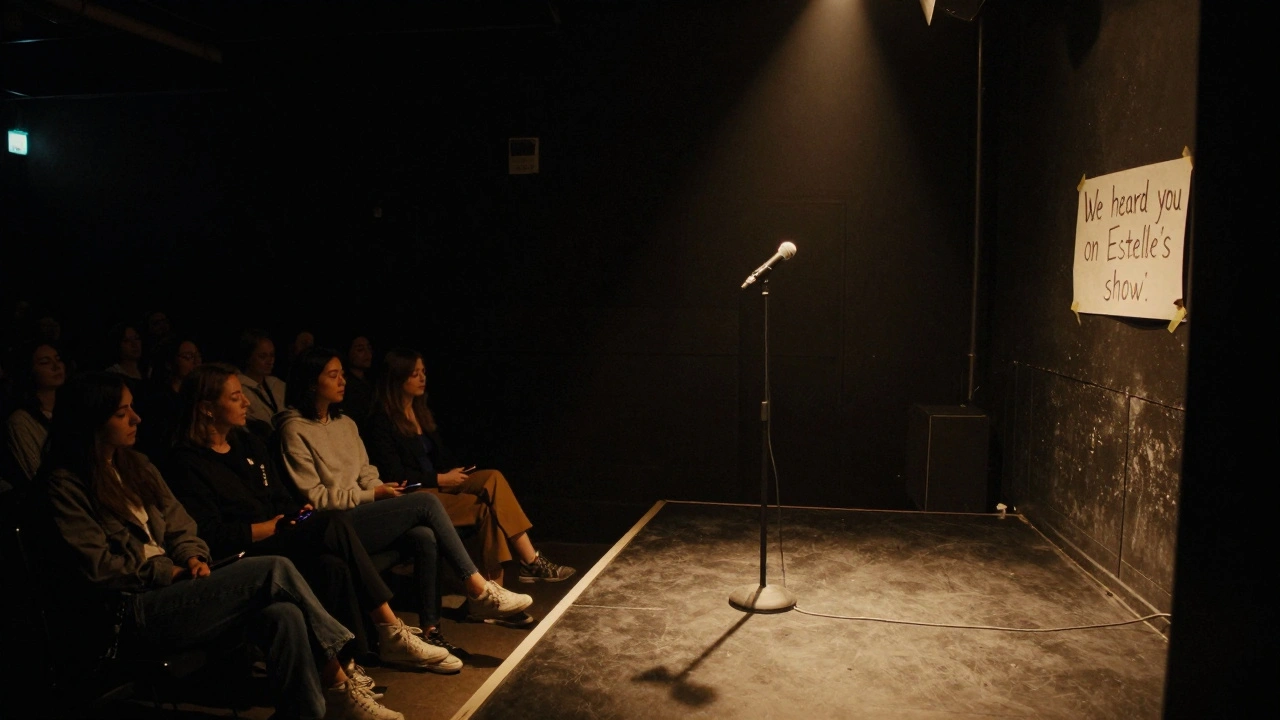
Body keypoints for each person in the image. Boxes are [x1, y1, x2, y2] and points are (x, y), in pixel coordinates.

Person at [40, 372, 405, 720]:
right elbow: (99, 566)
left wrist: (192, 556)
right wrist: (171, 570)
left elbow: (181, 524)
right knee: (275, 567)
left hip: (179, 583)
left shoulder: (137, 465)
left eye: (133, 408)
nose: (136, 418)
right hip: (132, 609)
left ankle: (309, 710)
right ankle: (344, 672)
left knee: (285, 614)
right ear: (91, 421)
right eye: (122, 413)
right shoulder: (67, 485)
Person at [167, 363, 462, 675]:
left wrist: (296, 513)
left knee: (333, 563)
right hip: (247, 551)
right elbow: (210, 534)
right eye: (236, 397)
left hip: (281, 532)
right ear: (207, 409)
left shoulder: (248, 442)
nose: (247, 403)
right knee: (334, 522)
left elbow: (279, 496)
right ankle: (391, 629)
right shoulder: (187, 462)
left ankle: (352, 662)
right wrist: (268, 527)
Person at [277, 347, 534, 629]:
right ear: (313, 382)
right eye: (334, 375)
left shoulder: (345, 423)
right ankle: (480, 589)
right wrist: (374, 494)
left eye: (342, 374)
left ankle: (431, 628)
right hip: (336, 523)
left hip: (369, 508)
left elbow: (367, 472)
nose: (343, 381)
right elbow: (316, 497)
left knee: (425, 533)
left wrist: (380, 489)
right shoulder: (294, 429)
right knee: (425, 502)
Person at [364, 347, 575, 587]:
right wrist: (441, 479)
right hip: (416, 495)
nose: (422, 378)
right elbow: (396, 476)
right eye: (414, 373)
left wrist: (456, 475)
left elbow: (440, 458)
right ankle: (502, 587)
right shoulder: (381, 422)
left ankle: (529, 561)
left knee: (492, 477)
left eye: (423, 371)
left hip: (440, 483)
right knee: (485, 510)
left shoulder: (420, 412)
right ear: (397, 378)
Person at [4, 341, 65, 485]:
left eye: (58, 359)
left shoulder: (72, 408)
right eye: (45, 362)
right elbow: (36, 473)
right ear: (29, 371)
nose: (56, 367)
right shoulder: (21, 421)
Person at [134, 335, 202, 465]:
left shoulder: (199, 395)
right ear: (169, 363)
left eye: (197, 356)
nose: (196, 362)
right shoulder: (158, 400)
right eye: (188, 357)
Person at [236, 328, 287, 440]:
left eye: (272, 355)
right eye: (263, 356)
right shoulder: (239, 389)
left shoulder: (277, 384)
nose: (270, 361)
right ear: (248, 358)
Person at [342, 334, 376, 422]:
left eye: (369, 348)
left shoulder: (372, 382)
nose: (367, 354)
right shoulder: (344, 384)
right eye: (360, 350)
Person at [102, 321, 146, 386]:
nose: (134, 344)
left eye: (137, 338)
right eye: (126, 341)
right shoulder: (112, 374)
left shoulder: (149, 370)